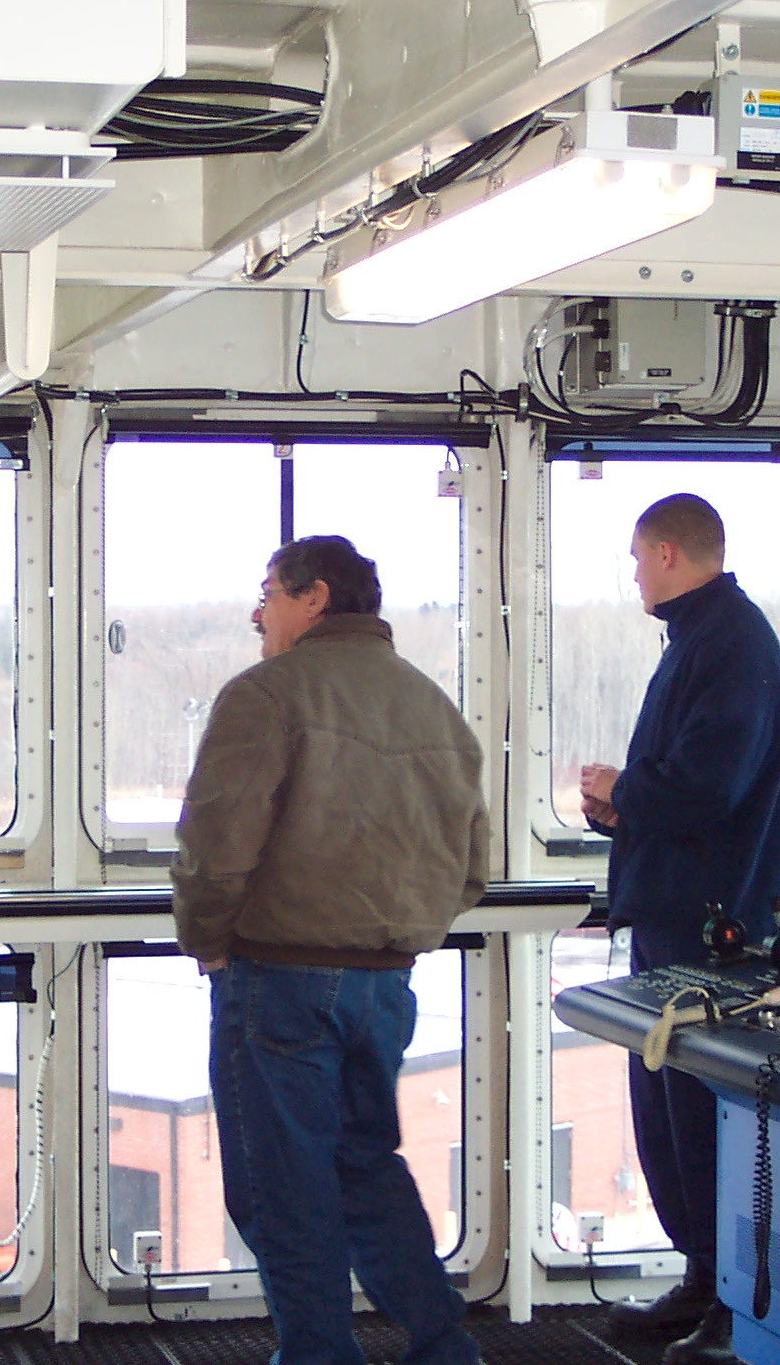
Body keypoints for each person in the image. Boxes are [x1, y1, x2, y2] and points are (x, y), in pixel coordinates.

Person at [172, 535, 488, 1365]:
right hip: (387, 986)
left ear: (314, 597)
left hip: (278, 978)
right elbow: (472, 869)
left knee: (282, 1191)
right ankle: (444, 1347)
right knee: (363, 1167)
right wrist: (395, 928)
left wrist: (207, 939)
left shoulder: (267, 695)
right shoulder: (435, 708)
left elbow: (218, 843)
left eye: (269, 593)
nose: (257, 613)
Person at [579, 494, 780, 1365]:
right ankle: (704, 1277)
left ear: (669, 553)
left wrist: (626, 789)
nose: (635, 574)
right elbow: (690, 782)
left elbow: (711, 785)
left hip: (719, 936)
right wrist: (621, 808)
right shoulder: (698, 641)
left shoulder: (732, 645)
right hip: (677, 921)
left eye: (638, 557)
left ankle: (738, 1308)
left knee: (711, 1126)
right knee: (670, 1119)